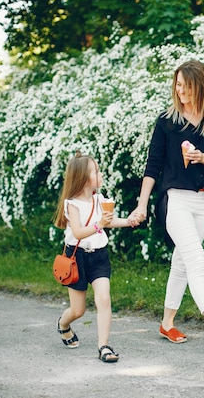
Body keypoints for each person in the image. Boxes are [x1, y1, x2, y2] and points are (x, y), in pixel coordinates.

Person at [129, 59, 204, 347]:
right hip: (174, 199)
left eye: (186, 86)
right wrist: (141, 205)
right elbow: (152, 167)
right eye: (177, 85)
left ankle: (166, 324)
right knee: (196, 259)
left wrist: (202, 157)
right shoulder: (167, 121)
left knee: (183, 262)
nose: (181, 91)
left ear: (200, 87)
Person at [52, 151, 134, 363]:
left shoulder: (100, 200)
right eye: (96, 171)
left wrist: (129, 221)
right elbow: (78, 232)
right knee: (78, 310)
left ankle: (104, 346)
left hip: (98, 256)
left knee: (104, 299)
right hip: (76, 258)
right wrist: (100, 225)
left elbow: (111, 220)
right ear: (83, 178)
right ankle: (63, 324)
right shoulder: (72, 204)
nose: (101, 174)